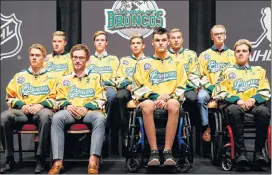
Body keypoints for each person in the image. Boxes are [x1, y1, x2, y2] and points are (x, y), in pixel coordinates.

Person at [132, 27, 187, 166]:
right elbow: (137, 87)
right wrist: (156, 97)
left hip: (170, 99)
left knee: (174, 104)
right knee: (148, 105)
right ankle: (154, 152)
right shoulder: (142, 63)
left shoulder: (177, 63)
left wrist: (166, 98)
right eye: (157, 40)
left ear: (168, 42)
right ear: (152, 43)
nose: (161, 43)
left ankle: (167, 151)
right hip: (150, 100)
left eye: (163, 40)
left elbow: (181, 87)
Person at [48, 44, 106, 174]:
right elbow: (58, 99)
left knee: (100, 118)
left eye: (81, 58)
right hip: (70, 112)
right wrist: (67, 105)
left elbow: (102, 98)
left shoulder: (96, 77)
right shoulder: (64, 79)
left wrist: (86, 108)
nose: (78, 60)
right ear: (71, 58)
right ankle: (57, 162)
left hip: (89, 112)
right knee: (57, 117)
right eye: (75, 57)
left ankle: (93, 160)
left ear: (87, 59)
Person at [213, 39, 271, 165]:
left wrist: (253, 99)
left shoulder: (259, 71)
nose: (240, 53)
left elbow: (266, 90)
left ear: (250, 53)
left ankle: (258, 152)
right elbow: (218, 91)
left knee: (264, 112)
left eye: (244, 51)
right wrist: (237, 100)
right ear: (234, 53)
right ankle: (241, 153)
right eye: (238, 51)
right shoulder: (227, 71)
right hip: (234, 106)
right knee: (234, 111)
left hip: (253, 105)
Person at [0, 44, 57, 174]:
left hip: (41, 111)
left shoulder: (52, 77)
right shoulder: (19, 76)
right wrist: (23, 105)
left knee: (46, 116)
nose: (34, 58)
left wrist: (40, 105)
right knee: (4, 117)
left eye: (37, 55)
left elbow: (57, 98)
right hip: (22, 112)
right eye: (32, 55)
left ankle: (41, 159)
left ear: (44, 58)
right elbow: (10, 97)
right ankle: (9, 159)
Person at [198, 24, 236, 142]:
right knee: (201, 97)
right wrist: (212, 88)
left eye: (221, 34)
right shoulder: (204, 55)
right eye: (216, 34)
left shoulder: (233, 55)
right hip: (209, 89)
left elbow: (237, 76)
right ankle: (206, 127)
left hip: (227, 90)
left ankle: (231, 133)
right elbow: (200, 75)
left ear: (225, 36)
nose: (219, 36)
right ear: (211, 37)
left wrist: (222, 92)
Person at [168, 28, 200, 125]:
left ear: (182, 39)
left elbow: (195, 76)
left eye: (178, 37)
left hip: (187, 88)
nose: (176, 40)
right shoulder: (164, 55)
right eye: (173, 38)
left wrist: (182, 89)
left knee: (193, 99)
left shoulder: (191, 55)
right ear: (169, 41)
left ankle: (192, 130)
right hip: (170, 89)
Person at [114, 33, 146, 133]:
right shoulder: (124, 61)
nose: (135, 45)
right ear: (130, 46)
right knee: (119, 96)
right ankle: (126, 131)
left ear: (143, 45)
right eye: (133, 43)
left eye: (138, 43)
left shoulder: (149, 61)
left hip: (143, 90)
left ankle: (145, 130)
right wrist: (127, 85)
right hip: (128, 88)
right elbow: (118, 78)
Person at [86, 31, 119, 126]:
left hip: (108, 87)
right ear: (94, 43)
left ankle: (107, 125)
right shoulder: (88, 60)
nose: (99, 42)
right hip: (93, 88)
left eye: (102, 40)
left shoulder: (113, 59)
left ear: (106, 43)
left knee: (112, 96)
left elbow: (117, 77)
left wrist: (106, 83)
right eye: (97, 40)